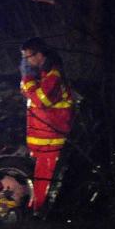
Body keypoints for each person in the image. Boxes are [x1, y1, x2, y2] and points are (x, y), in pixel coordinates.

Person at [19, 37, 74, 214]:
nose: (26, 62)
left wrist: (27, 79)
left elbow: (41, 99)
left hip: (53, 141)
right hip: (45, 141)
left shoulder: (53, 76)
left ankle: (43, 215)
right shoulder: (43, 76)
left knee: (47, 183)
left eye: (28, 57)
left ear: (40, 55)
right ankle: (39, 212)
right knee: (41, 182)